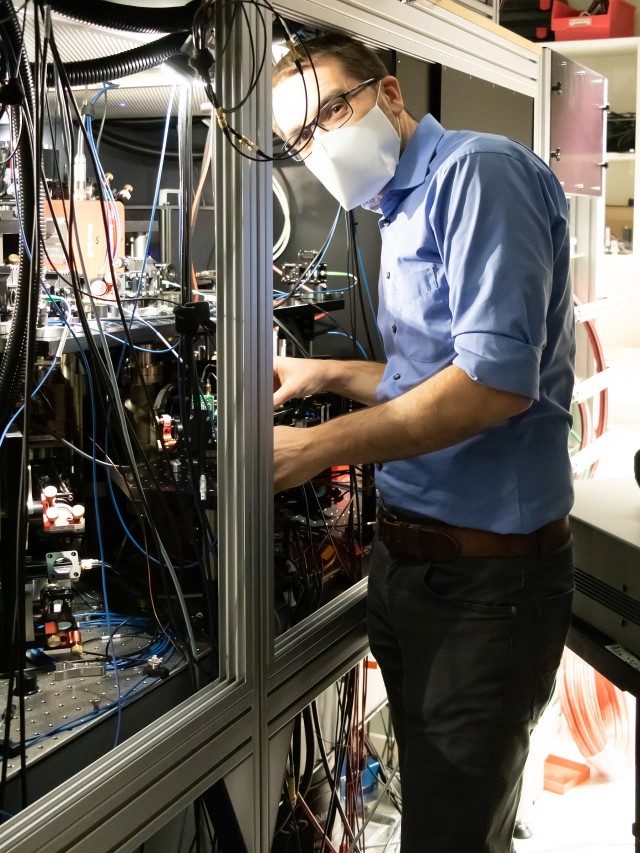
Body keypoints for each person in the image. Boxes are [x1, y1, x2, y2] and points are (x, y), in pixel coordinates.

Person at [271, 33, 575, 853]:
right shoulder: (397, 211)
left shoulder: (478, 174)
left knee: (451, 836)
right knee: (442, 822)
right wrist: (322, 377)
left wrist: (314, 448)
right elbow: (424, 381)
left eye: (331, 108)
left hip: (487, 582)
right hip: (412, 570)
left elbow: (491, 384)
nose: (321, 142)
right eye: (301, 136)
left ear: (392, 94)